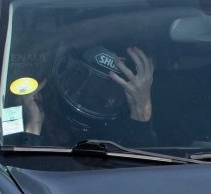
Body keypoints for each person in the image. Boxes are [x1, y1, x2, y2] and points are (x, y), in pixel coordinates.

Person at [15, 45, 156, 147]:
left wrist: (141, 115)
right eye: (78, 77)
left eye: (103, 91)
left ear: (126, 96)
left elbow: (142, 177)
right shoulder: (36, 109)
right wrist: (33, 126)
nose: (83, 92)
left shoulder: (126, 129)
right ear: (63, 69)